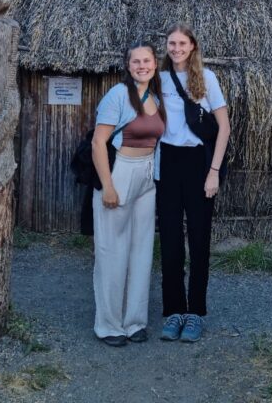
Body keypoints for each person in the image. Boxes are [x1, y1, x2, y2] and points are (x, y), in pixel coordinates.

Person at [157, 23, 231, 342]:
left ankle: (196, 312)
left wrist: (213, 171)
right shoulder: (157, 80)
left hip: (198, 162)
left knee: (199, 241)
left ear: (192, 46)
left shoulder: (207, 79)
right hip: (167, 163)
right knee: (171, 241)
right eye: (172, 43)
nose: (176, 48)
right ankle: (174, 311)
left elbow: (224, 128)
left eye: (182, 43)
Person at [91, 41, 166, 346]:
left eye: (146, 61)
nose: (142, 66)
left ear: (154, 64)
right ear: (128, 65)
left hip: (148, 174)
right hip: (120, 171)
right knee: (112, 249)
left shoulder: (157, 98)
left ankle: (135, 321)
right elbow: (98, 143)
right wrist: (108, 186)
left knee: (141, 248)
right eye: (136, 62)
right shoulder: (118, 95)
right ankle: (109, 325)